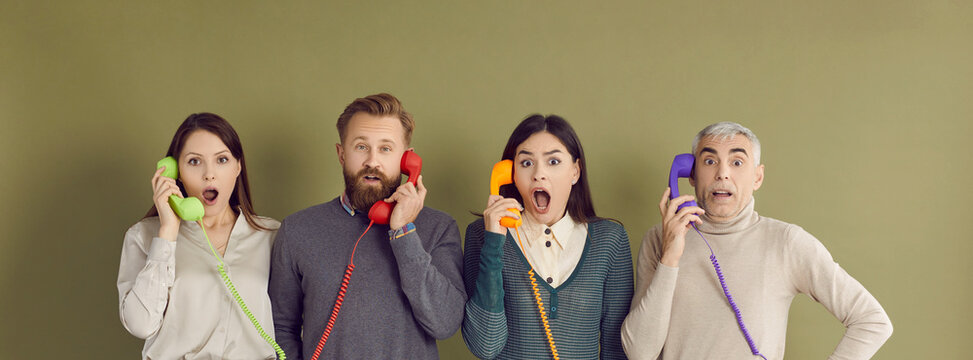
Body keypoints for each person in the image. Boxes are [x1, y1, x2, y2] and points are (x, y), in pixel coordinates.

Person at [621, 122, 893, 359]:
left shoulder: (786, 242)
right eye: (710, 161)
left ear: (757, 177)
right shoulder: (659, 239)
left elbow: (872, 321)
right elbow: (639, 353)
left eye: (737, 162)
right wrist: (670, 258)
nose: (722, 174)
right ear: (690, 174)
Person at [269, 93, 466, 359]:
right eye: (361, 147)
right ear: (341, 154)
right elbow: (281, 327)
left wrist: (403, 233)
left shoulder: (439, 227)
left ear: (406, 160)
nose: (372, 161)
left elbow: (445, 323)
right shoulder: (297, 230)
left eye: (386, 149)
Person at [462, 114, 633, 359]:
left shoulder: (610, 240)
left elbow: (615, 350)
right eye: (526, 163)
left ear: (575, 171)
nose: (538, 174)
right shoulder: (482, 235)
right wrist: (494, 243)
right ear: (510, 174)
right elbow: (485, 346)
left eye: (553, 161)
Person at [117, 113, 281, 359]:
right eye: (194, 161)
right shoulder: (143, 236)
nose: (209, 174)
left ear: (237, 167)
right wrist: (168, 232)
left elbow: (290, 321)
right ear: (175, 172)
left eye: (222, 160)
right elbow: (140, 325)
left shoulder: (272, 236)